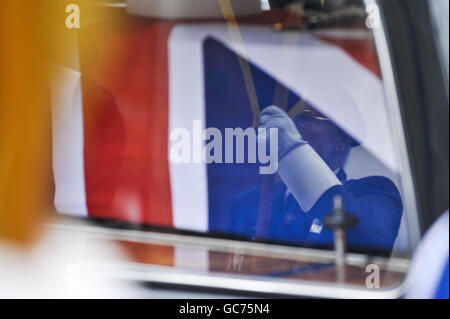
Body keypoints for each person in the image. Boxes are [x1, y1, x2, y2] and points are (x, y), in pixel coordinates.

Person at [229, 104, 403, 251]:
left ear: (341, 141)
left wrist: (292, 153)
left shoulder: (376, 192)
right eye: (289, 117)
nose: (291, 124)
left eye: (306, 117)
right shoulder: (248, 202)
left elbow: (369, 236)